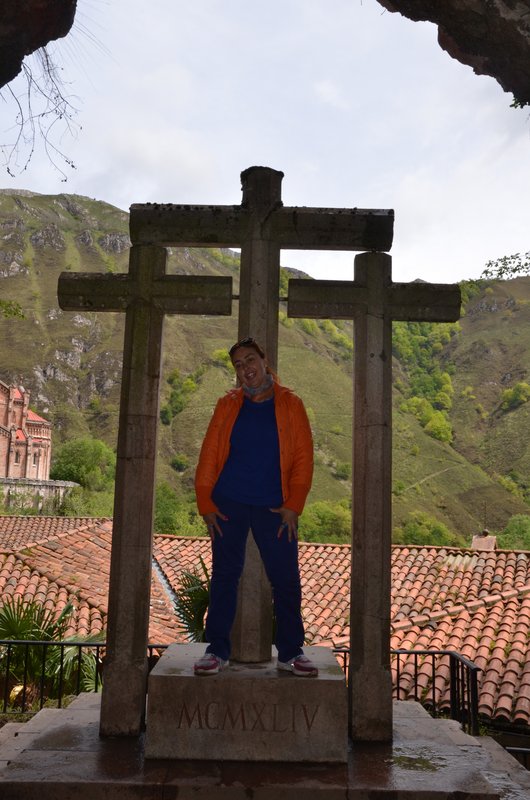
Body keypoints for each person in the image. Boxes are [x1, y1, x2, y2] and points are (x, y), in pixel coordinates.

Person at [193, 336, 317, 677]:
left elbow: (304, 458)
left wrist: (294, 504)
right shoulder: (227, 404)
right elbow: (209, 454)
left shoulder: (292, 404)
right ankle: (217, 650)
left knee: (286, 580)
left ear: (265, 362)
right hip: (229, 503)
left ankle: (291, 652)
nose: (246, 369)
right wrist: (206, 501)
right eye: (238, 365)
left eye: (250, 360)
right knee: (224, 578)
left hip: (275, 508)